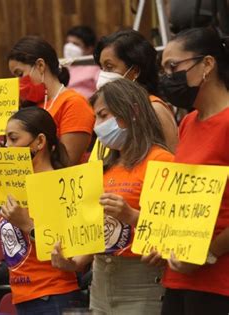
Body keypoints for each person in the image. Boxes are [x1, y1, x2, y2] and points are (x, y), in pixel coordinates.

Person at [51, 79, 174, 314]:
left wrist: (132, 215)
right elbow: (96, 229)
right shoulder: (103, 167)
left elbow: (174, 228)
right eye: (96, 118)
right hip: (100, 277)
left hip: (142, 279)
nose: (98, 126)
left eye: (103, 115)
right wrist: (73, 261)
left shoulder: (161, 160)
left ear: (132, 112)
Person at [144, 27, 229, 314]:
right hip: (179, 277)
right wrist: (161, 240)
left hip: (219, 282)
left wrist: (209, 253)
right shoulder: (188, 122)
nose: (168, 77)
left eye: (173, 66)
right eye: (164, 69)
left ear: (207, 64)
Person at [0, 106, 83, 314]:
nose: (7, 147)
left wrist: (27, 224)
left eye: (13, 139)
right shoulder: (13, 185)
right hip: (23, 295)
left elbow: (71, 249)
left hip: (53, 296)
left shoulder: (61, 185)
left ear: (40, 142)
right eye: (5, 140)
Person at [8, 36, 95, 165]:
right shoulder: (31, 106)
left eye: (20, 74)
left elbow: (67, 162)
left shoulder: (74, 103)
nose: (18, 82)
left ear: (40, 65)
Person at [93, 29, 179, 153]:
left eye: (109, 67)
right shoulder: (111, 108)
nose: (103, 74)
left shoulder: (155, 109)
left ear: (134, 71)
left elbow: (170, 162)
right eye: (102, 68)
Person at [63, 26, 101, 99]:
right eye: (68, 42)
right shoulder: (63, 66)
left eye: (75, 44)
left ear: (89, 48)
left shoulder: (96, 68)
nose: (69, 47)